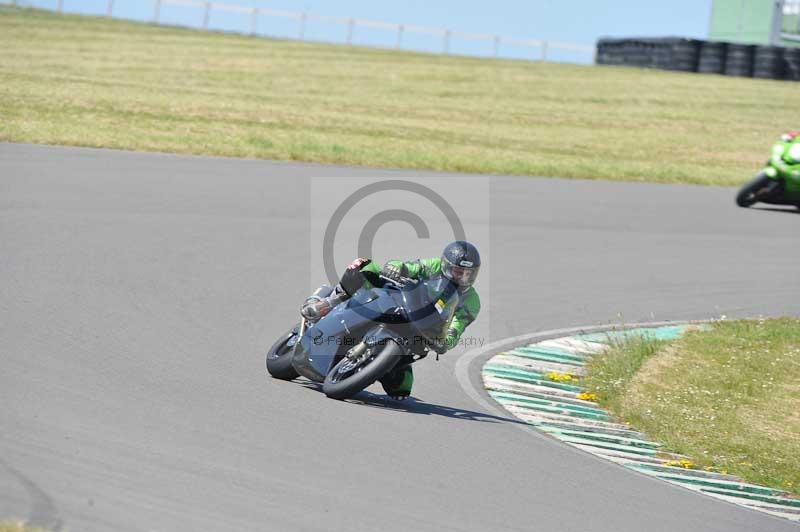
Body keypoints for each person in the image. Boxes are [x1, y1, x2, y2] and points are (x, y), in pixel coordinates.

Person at [301, 241, 482, 400]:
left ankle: (371, 366)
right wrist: (398, 267)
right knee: (365, 266)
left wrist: (446, 342)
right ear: (445, 266)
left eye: (468, 274)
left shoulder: (472, 301)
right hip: (400, 304)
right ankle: (328, 302)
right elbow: (411, 267)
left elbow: (457, 327)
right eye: (458, 272)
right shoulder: (433, 266)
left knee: (401, 390)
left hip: (419, 334)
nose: (462, 278)